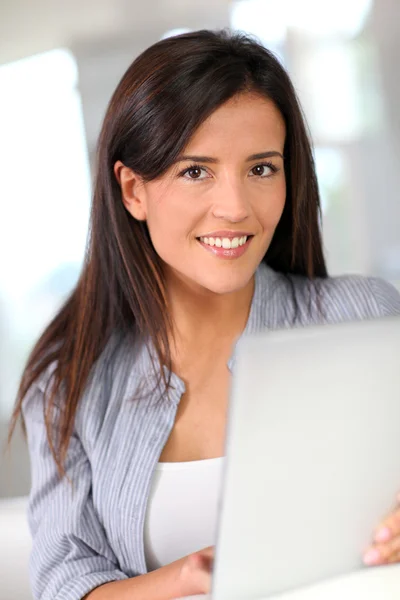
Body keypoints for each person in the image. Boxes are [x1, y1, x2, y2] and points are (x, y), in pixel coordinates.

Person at [8, 29, 400, 600]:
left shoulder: (366, 318)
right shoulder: (71, 384)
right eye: (196, 171)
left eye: (261, 168)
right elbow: (61, 582)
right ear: (133, 191)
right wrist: (186, 580)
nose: (237, 207)